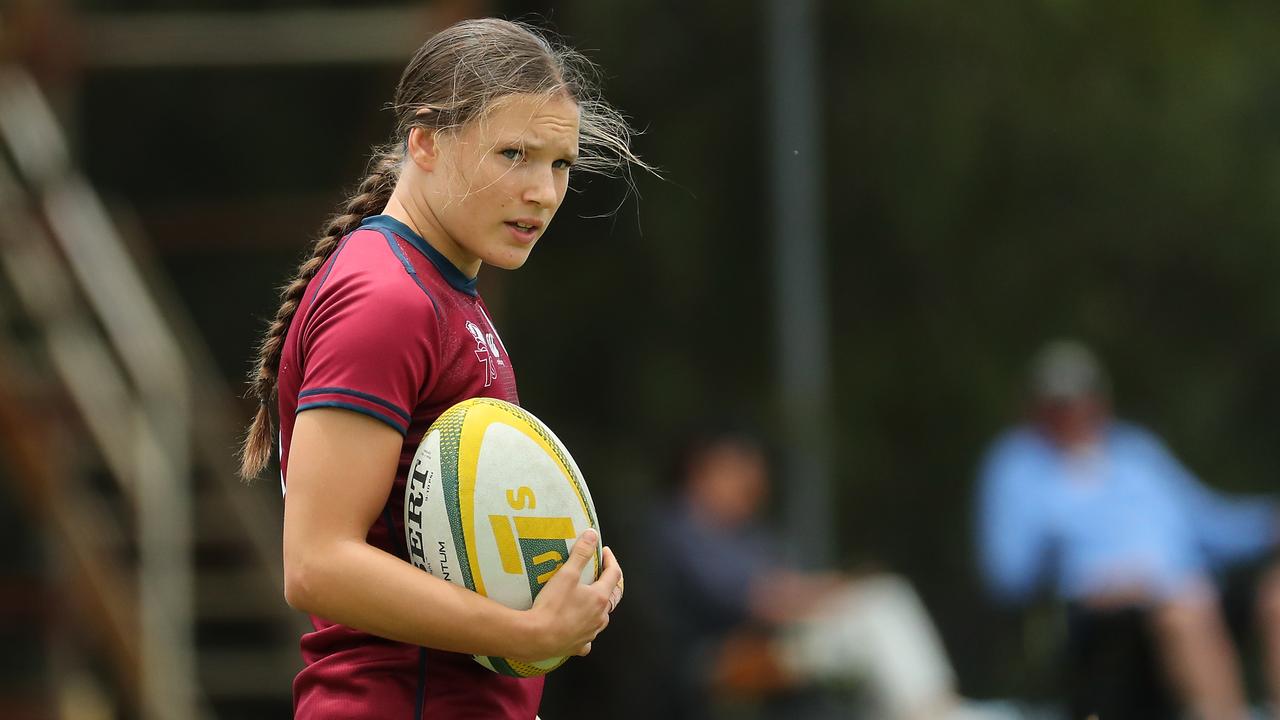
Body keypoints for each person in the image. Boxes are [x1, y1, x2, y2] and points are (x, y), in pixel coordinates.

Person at [236, 18, 644, 719]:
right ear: (424, 141)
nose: (543, 192)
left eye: (560, 164)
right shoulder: (387, 297)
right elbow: (316, 564)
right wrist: (528, 631)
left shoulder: (443, 291)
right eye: (513, 153)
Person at [976, 339, 1280, 719]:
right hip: (1100, 616)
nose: (1073, 412)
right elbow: (1008, 573)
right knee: (1185, 611)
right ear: (1037, 408)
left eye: (1082, 399)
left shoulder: (1136, 451)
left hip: (1188, 588)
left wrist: (1270, 520)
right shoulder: (1017, 465)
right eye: (1059, 404)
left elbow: (1210, 524)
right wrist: (1090, 571)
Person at [652, 426, 999, 720]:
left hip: (779, 643)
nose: (749, 488)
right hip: (719, 659)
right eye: (738, 474)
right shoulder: (683, 529)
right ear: (703, 470)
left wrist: (834, 591)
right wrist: (833, 593)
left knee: (881, 605)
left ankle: (937, 710)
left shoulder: (747, 533)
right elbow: (763, 602)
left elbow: (784, 590)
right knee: (878, 611)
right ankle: (940, 712)